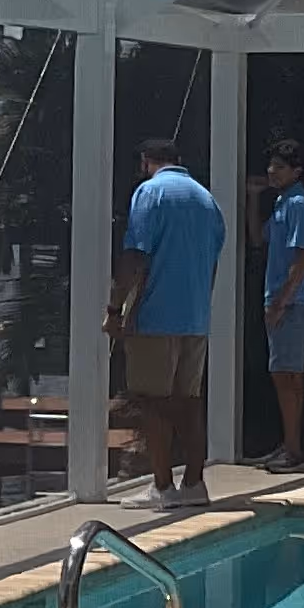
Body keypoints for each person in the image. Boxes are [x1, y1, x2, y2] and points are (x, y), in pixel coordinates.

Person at [111, 130, 225, 506]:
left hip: (157, 315)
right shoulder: (207, 200)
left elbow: (136, 255)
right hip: (195, 317)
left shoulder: (150, 193)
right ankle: (194, 483)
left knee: (152, 402)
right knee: (188, 402)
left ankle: (162, 487)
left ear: (147, 163)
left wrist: (116, 308)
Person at [258, 137, 304, 470]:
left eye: (279, 167)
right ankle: (289, 443)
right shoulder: (282, 202)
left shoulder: (298, 204)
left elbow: (303, 255)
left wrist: (282, 301)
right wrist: (255, 200)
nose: (271, 171)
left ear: (296, 171)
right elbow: (260, 237)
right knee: (285, 373)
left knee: (286, 374)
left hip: (294, 302)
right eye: (271, 166)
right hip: (284, 300)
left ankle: (293, 449)